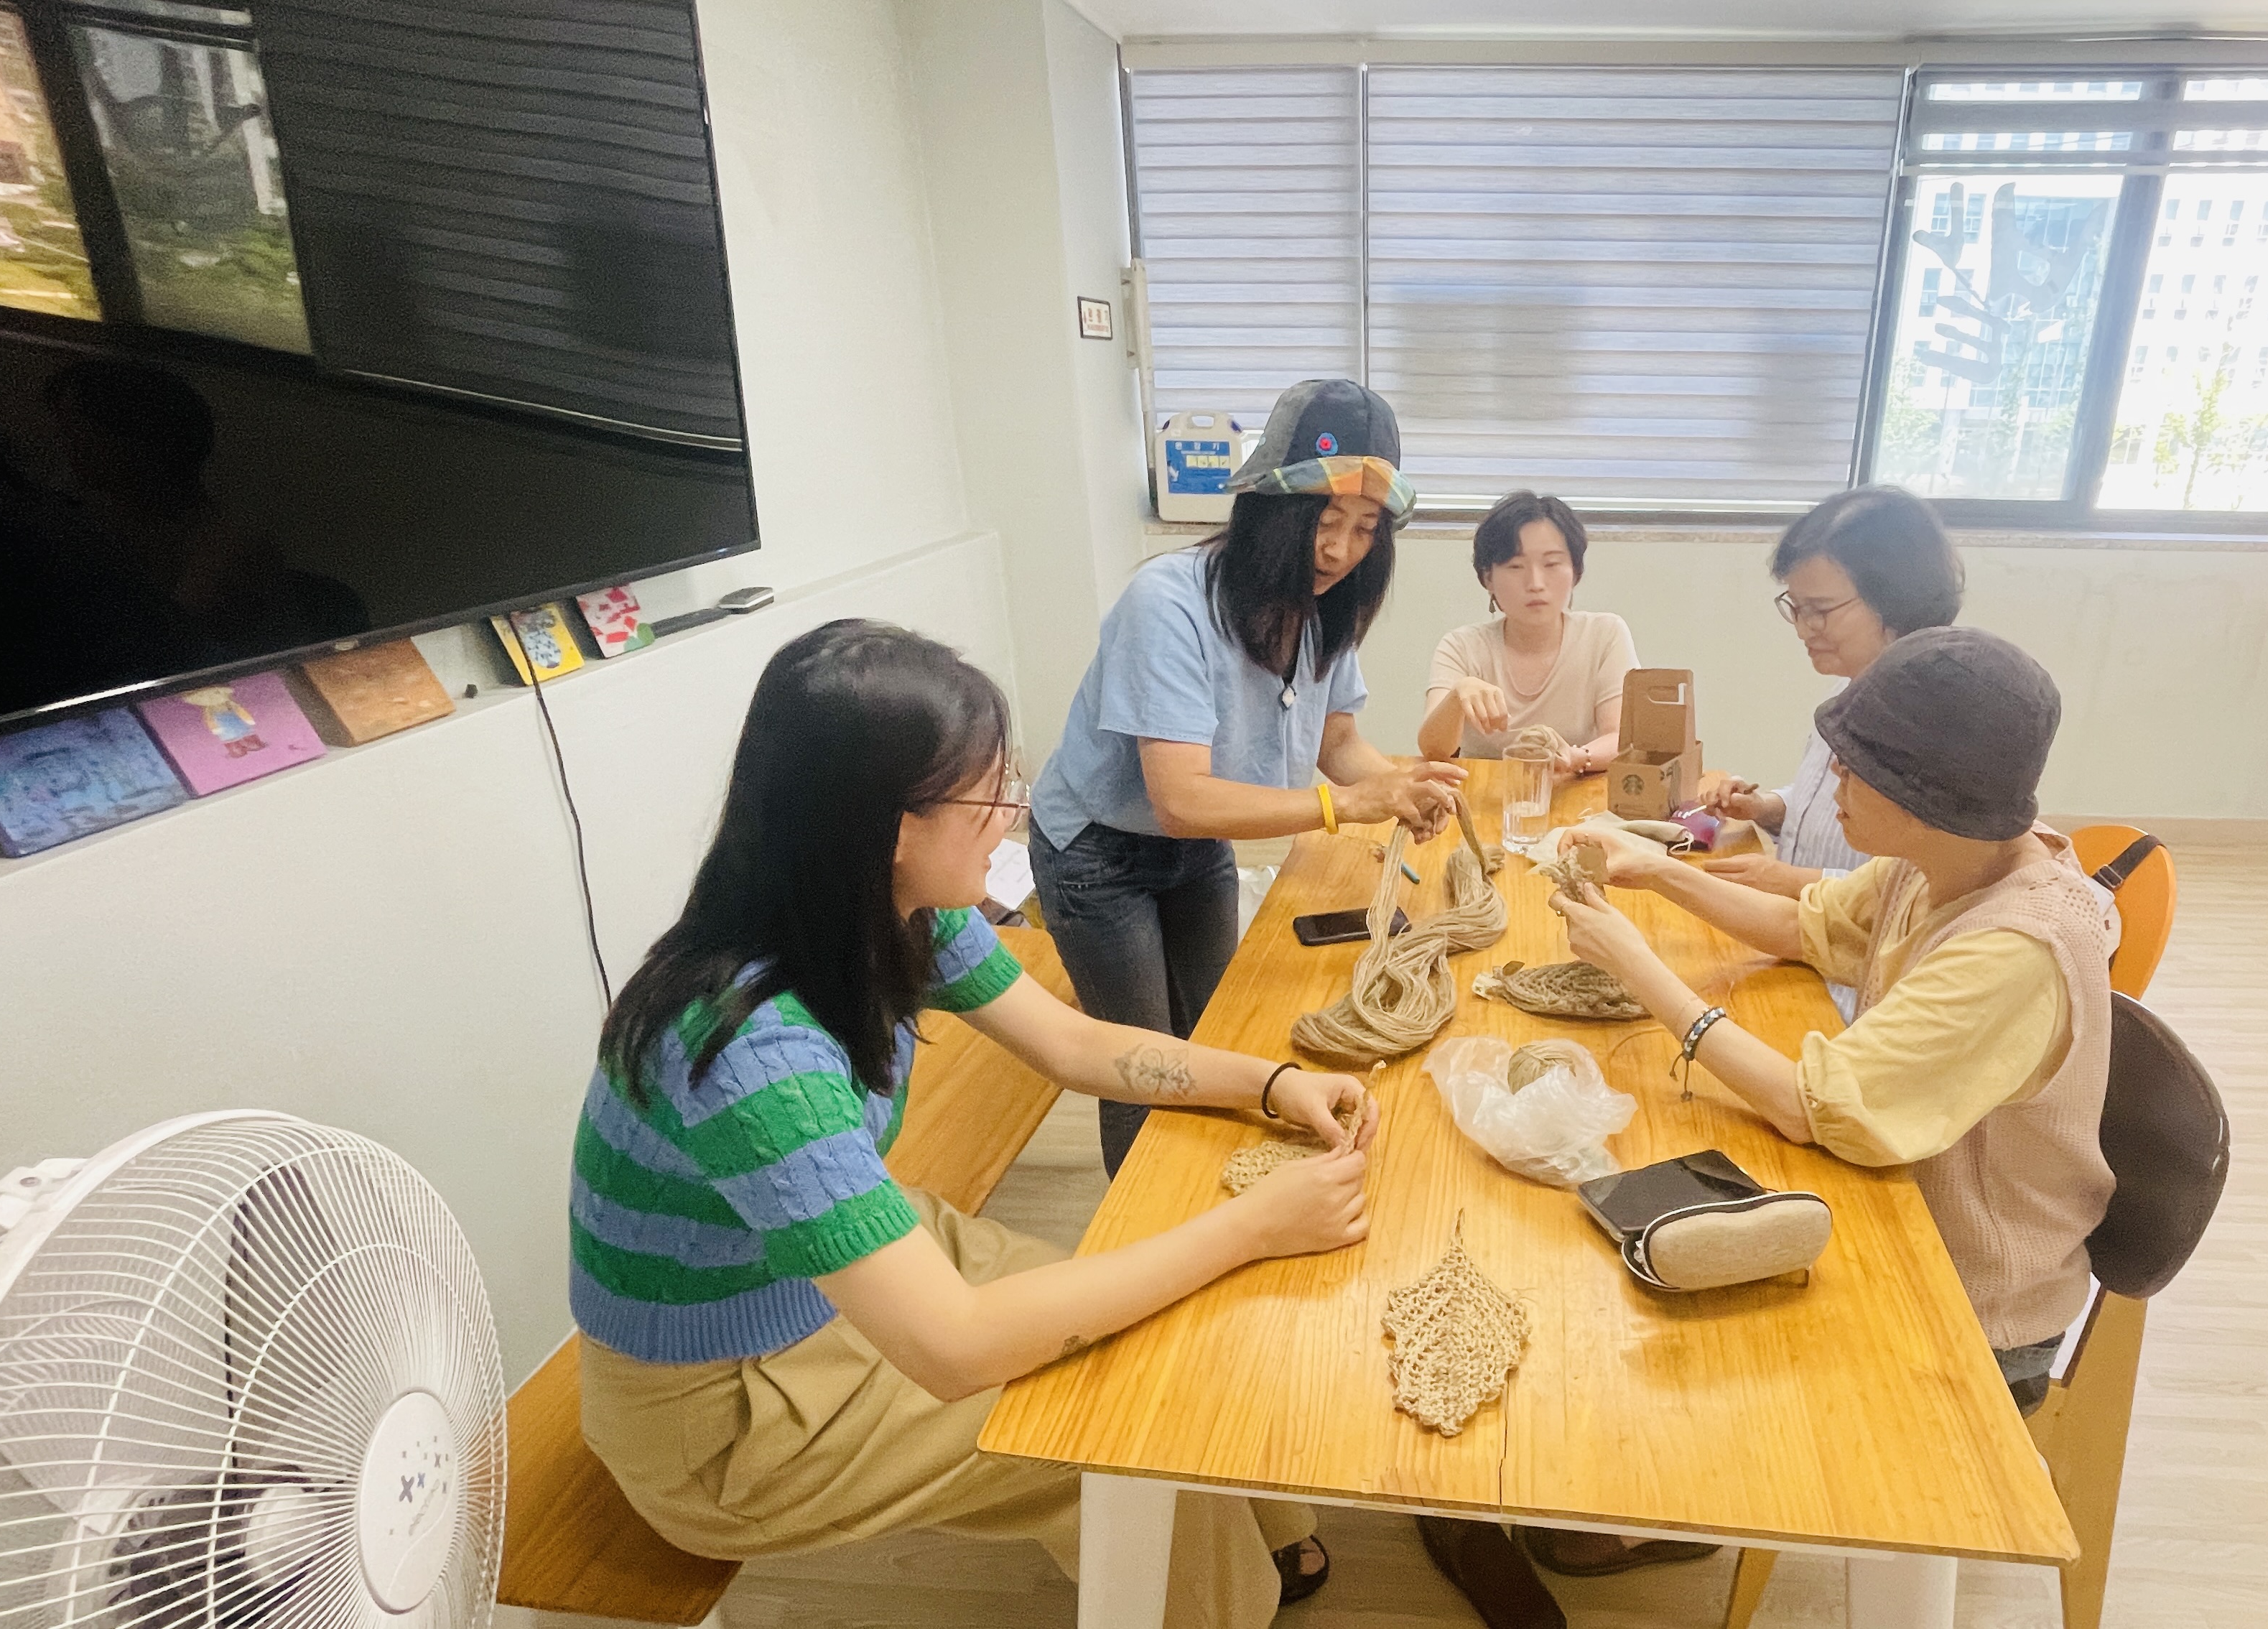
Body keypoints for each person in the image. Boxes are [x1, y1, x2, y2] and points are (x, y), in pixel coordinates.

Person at [572, 621, 1377, 1629]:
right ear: (886, 826)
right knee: (1122, 1417)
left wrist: (1271, 1082)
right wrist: (1254, 1227)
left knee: (1151, 1330)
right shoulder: (749, 1053)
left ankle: (1251, 1537)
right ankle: (1214, 1585)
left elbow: (1073, 1045)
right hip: (727, 1415)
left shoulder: (898, 906)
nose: (1011, 817)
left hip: (821, 1284)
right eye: (988, 797)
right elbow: (954, 1348)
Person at [1554, 628, 2111, 1408]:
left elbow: (1808, 1107)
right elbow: (1805, 926)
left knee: (1671, 1368)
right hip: (1895, 1219)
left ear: (1928, 795)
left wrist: (1638, 967)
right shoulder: (1946, 860)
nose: (1836, 775)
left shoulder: (2017, 949)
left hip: (1967, 1307)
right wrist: (1652, 871)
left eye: (1859, 765)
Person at [1030, 379, 1464, 1174]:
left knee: (1217, 1038)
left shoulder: (1324, 605)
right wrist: (1350, 804)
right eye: (1325, 523)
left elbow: (1338, 740)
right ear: (1270, 510)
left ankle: (1201, 1196)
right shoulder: (1167, 602)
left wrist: (1400, 788)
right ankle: (1145, 1232)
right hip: (1099, 852)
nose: (1341, 551)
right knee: (1142, 1066)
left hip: (1198, 844)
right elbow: (1181, 798)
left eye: (1366, 529)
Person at [1691, 486, 1961, 904]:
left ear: (1896, 599)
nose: (1803, 629)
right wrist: (1765, 807)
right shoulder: (1848, 688)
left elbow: (1925, 888)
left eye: (1820, 610)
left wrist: (1794, 881)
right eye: (1797, 608)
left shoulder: (1935, 721)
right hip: (1807, 924)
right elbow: (1821, 809)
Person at [1416, 491, 1638, 776]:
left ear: (1575, 571)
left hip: (1575, 789)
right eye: (1515, 566)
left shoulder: (1605, 635)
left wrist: (1575, 757)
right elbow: (1433, 750)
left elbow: (1622, 738)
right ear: (1488, 578)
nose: (1535, 583)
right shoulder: (1462, 646)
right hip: (1481, 792)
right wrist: (1457, 697)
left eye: (1552, 564)